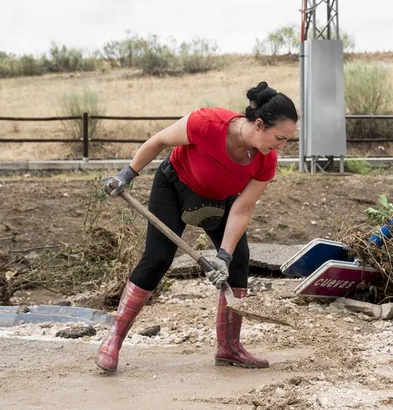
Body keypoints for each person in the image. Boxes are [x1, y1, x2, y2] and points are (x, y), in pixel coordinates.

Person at [95, 82, 298, 373]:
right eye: (279, 138)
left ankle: (229, 347)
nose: (281, 147)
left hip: (221, 199)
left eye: (287, 141)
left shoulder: (266, 160)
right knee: (158, 259)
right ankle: (112, 340)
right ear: (258, 125)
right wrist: (127, 175)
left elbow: (242, 209)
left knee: (239, 261)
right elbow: (159, 141)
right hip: (174, 186)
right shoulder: (208, 123)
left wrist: (224, 257)